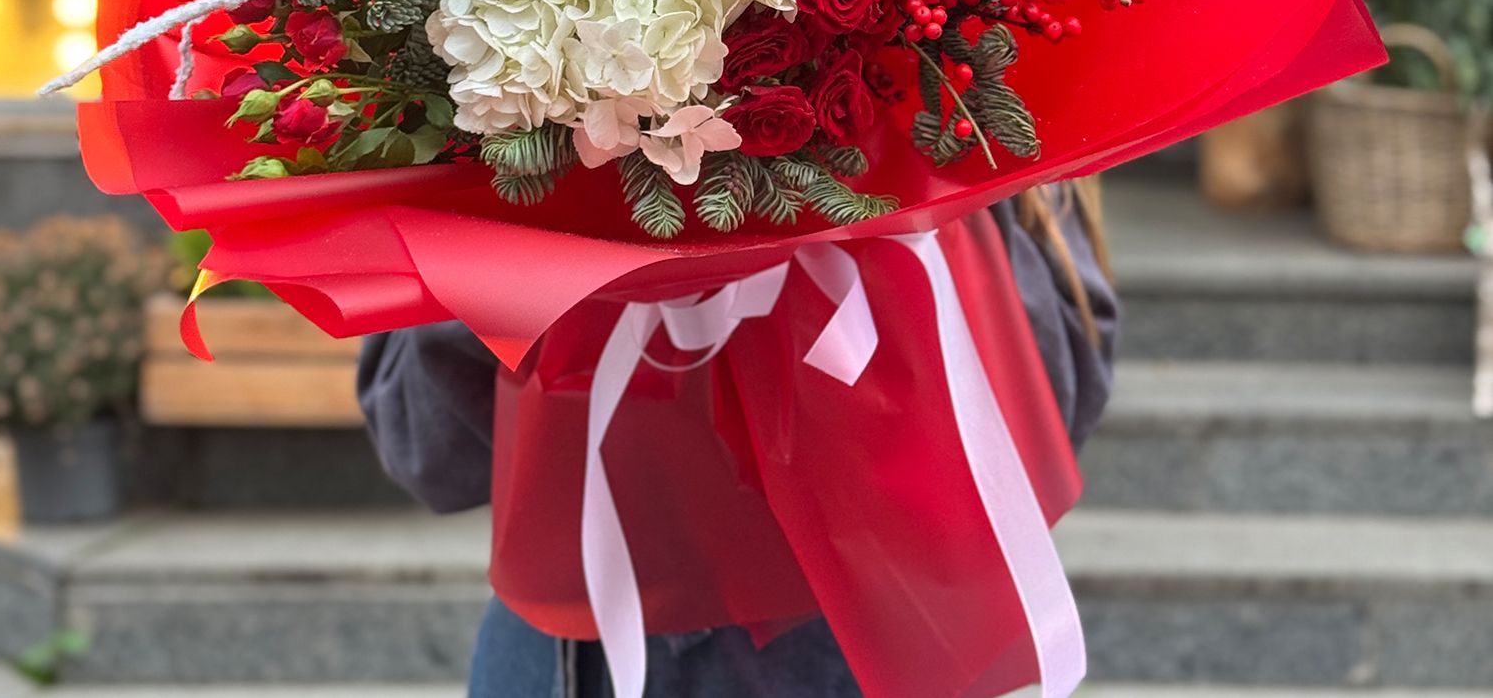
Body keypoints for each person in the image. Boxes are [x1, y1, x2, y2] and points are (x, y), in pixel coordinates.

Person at [358, 182, 1119, 698]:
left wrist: (917, 203)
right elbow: (424, 446)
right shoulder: (493, 125)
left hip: (857, 638)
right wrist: (537, 227)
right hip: (579, 645)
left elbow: (1049, 419)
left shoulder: (970, 80)